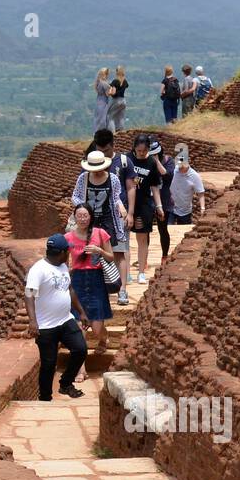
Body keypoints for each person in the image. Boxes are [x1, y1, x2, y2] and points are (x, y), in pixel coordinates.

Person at [24, 234, 92, 401]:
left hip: (65, 320)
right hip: (46, 326)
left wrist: (81, 312)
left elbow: (70, 290)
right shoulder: (38, 270)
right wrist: (33, 322)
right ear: (62, 252)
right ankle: (45, 398)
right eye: (67, 251)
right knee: (48, 364)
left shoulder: (62, 266)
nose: (69, 253)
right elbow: (29, 295)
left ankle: (65, 383)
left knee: (80, 349)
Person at [72, 146, 131, 305]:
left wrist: (121, 206)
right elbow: (75, 196)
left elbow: (116, 197)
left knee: (117, 253)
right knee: (91, 254)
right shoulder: (83, 178)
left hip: (109, 220)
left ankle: (122, 290)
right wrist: (83, 208)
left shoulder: (113, 179)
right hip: (90, 221)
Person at [64, 204, 114, 353]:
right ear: (74, 217)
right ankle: (81, 370)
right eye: (79, 216)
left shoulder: (100, 233)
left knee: (97, 328)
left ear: (90, 217)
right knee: (80, 328)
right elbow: (64, 263)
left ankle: (104, 338)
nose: (82, 219)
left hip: (96, 281)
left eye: (85, 215)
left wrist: (99, 251)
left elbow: (111, 257)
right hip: (78, 281)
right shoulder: (68, 237)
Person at [121, 134, 164, 285]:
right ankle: (126, 273)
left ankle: (141, 272)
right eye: (139, 150)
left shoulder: (151, 162)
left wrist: (159, 206)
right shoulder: (126, 160)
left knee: (142, 239)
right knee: (124, 239)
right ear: (134, 148)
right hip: (126, 203)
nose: (141, 153)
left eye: (144, 151)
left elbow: (155, 186)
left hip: (144, 204)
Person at [149, 140, 174, 261]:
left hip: (164, 200)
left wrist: (157, 162)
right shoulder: (146, 162)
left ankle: (165, 254)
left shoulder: (169, 161)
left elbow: (167, 174)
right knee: (145, 230)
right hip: (148, 199)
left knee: (162, 228)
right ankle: (144, 256)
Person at [169, 157, 206, 224]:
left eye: (182, 167)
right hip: (171, 207)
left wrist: (202, 208)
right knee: (167, 229)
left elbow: (200, 193)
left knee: (183, 231)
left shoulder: (194, 176)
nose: (179, 168)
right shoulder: (174, 171)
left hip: (184, 211)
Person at [107, 66, 129, 132]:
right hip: (123, 101)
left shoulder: (115, 81)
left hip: (116, 101)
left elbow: (113, 92)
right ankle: (121, 132)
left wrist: (109, 93)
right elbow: (126, 86)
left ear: (117, 72)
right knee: (121, 117)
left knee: (110, 116)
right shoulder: (125, 81)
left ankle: (113, 133)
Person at [92, 68, 112, 132]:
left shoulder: (98, 82)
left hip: (98, 101)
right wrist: (111, 88)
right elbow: (108, 94)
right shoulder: (104, 83)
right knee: (103, 119)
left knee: (98, 118)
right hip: (104, 101)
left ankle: (96, 133)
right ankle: (102, 133)